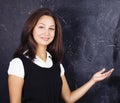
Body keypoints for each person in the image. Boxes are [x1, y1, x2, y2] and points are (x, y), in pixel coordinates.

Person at [8, 8, 114, 103]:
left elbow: (69, 98)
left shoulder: (56, 64)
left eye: (51, 28)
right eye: (41, 27)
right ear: (31, 30)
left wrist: (93, 80)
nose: (47, 33)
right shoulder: (18, 64)